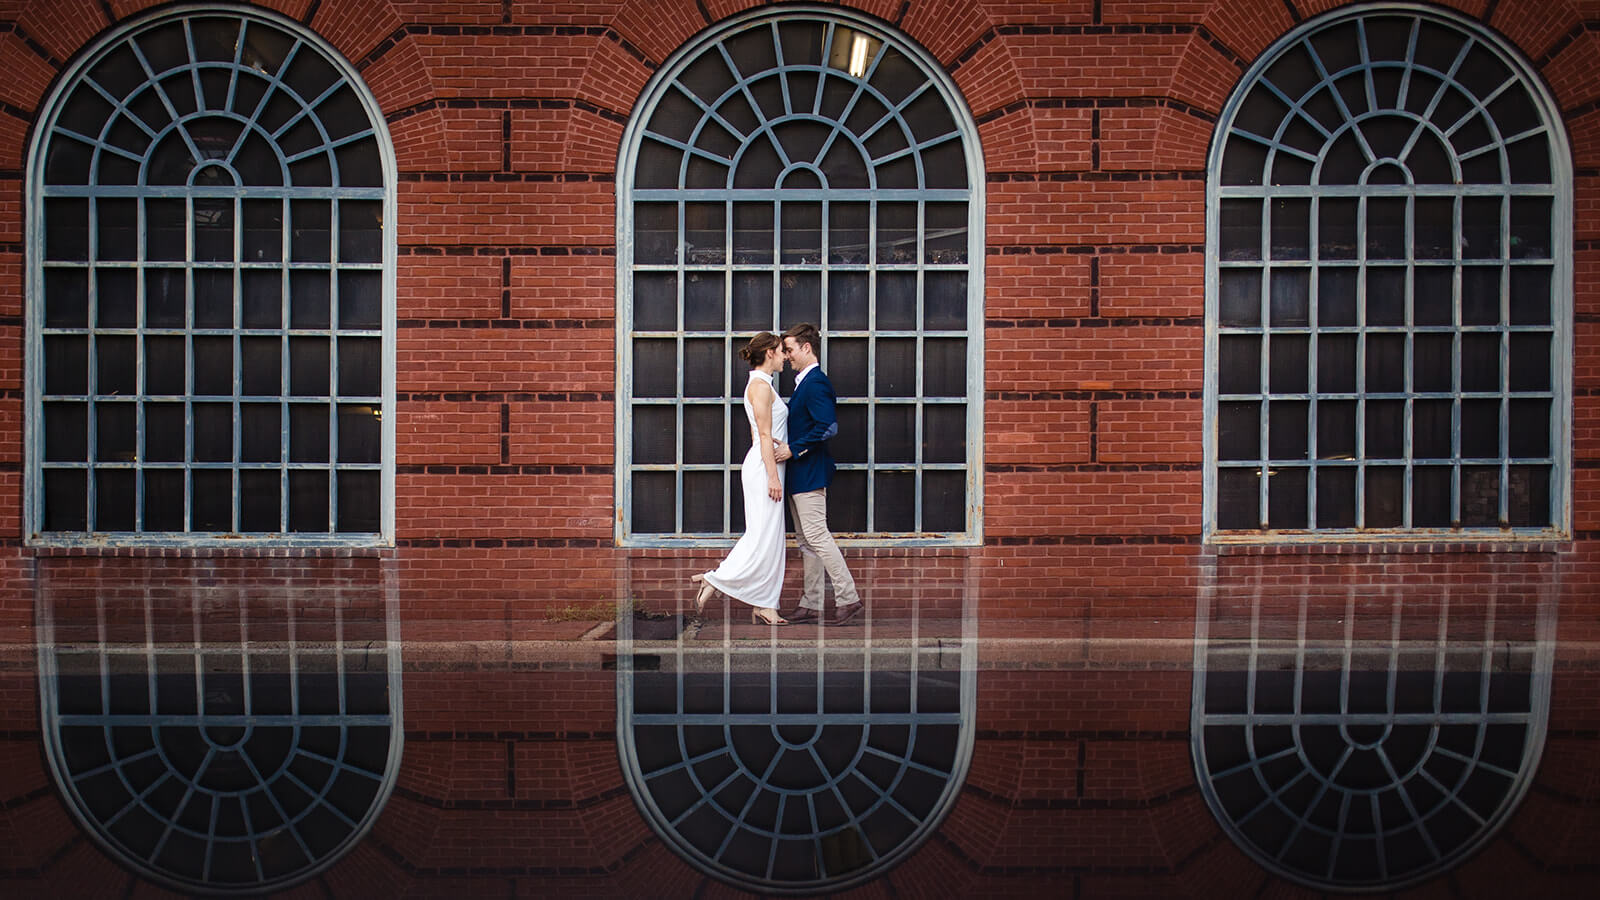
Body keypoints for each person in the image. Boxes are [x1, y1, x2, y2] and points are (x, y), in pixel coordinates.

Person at [691, 332, 794, 626]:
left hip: (766, 465)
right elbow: (761, 435)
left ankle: (765, 605)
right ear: (770, 353)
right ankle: (715, 579)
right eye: (781, 352)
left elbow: (758, 433)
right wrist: (773, 477)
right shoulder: (760, 387)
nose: (786, 357)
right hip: (765, 469)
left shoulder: (761, 385)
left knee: (769, 539)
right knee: (763, 536)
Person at [780, 323, 863, 626]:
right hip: (800, 474)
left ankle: (848, 597)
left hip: (810, 472)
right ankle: (812, 604)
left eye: (788, 349)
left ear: (806, 348)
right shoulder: (804, 382)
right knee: (806, 540)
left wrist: (793, 449)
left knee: (816, 535)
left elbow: (828, 427)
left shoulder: (816, 383)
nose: (785, 355)